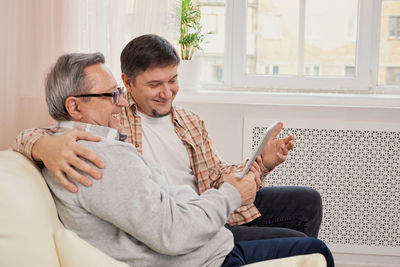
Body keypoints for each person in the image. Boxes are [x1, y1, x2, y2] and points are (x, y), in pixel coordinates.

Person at [14, 34, 322, 242]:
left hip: (211, 207)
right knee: (296, 243)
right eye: (155, 84)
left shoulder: (189, 122)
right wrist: (43, 144)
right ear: (127, 83)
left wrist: (263, 163)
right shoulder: (115, 118)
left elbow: (215, 178)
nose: (167, 92)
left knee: (307, 202)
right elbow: (49, 130)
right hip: (180, 225)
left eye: (173, 80)